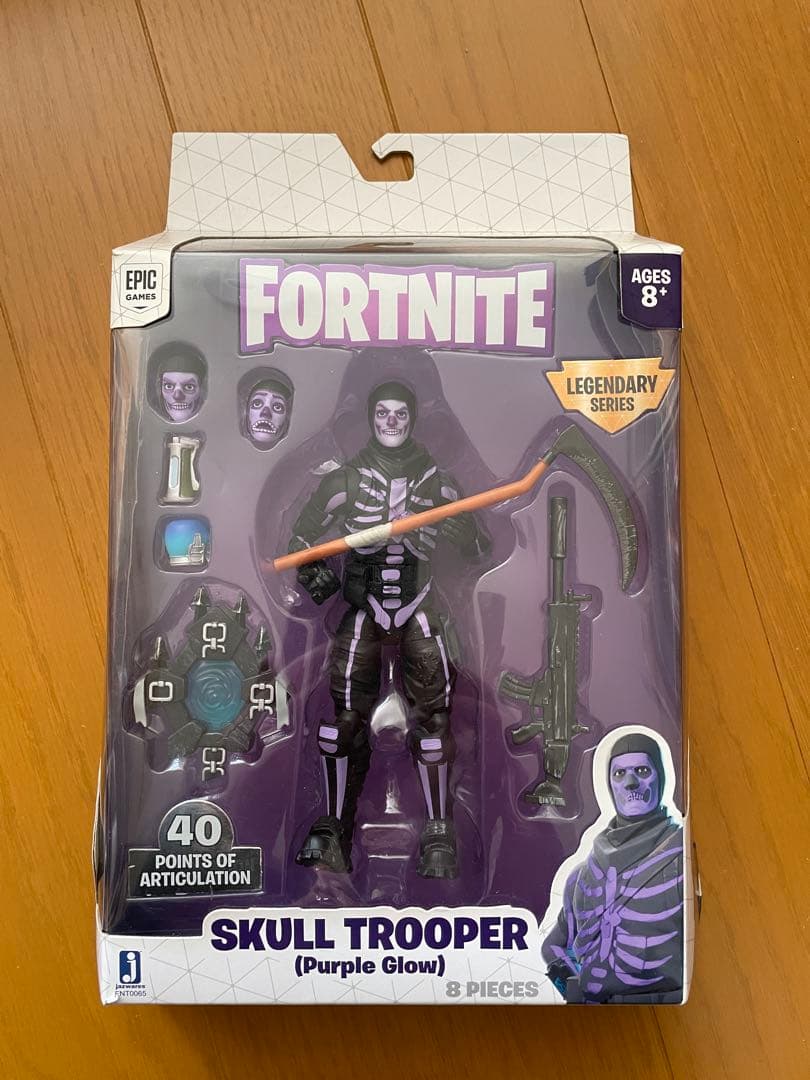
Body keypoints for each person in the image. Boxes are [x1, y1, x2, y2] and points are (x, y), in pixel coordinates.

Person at [288, 380, 489, 878]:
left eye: (400, 413)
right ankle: (334, 827)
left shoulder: (439, 485)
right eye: (383, 413)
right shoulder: (344, 482)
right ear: (371, 418)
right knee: (340, 724)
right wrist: (313, 573)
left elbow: (478, 548)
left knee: (434, 724)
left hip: (421, 608)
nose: (392, 422)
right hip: (362, 610)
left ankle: (438, 831)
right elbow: (301, 538)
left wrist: (463, 532)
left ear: (413, 419)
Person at [542, 731, 684, 1003]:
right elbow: (553, 947)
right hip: (593, 1016)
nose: (630, 783)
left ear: (661, 777)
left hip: (660, 1014)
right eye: (619, 774)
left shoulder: (679, 861)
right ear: (609, 784)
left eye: (642, 771)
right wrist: (574, 992)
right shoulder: (582, 876)